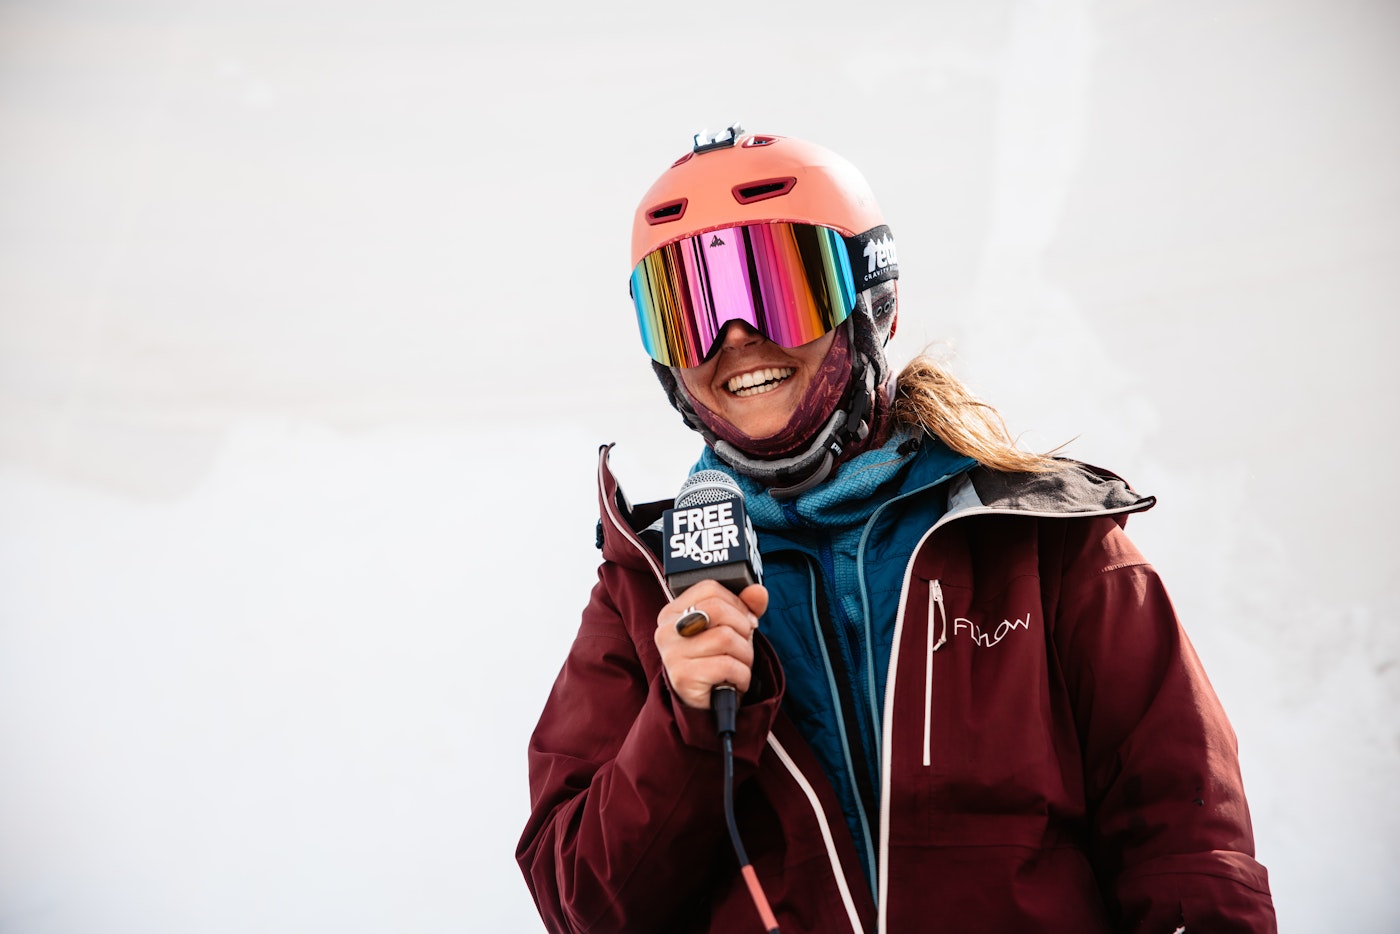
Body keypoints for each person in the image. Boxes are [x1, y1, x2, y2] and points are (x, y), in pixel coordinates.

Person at [516, 126, 1277, 933]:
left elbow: (1190, 851)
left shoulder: (1041, 542)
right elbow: (582, 904)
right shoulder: (645, 593)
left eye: (777, 289)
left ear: (870, 302)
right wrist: (685, 723)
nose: (734, 337)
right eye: (690, 312)